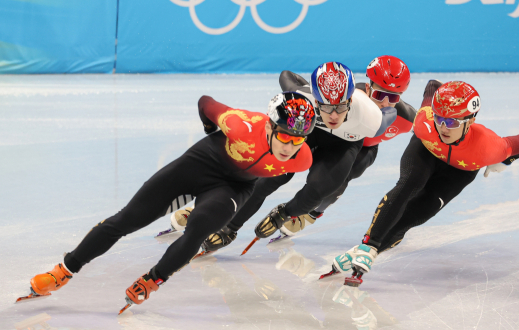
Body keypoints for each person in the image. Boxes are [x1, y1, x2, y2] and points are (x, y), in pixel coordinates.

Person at [19, 92, 317, 311]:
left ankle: (152, 280)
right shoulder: (240, 125)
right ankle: (64, 270)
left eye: (299, 139)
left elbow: (272, 179)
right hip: (199, 164)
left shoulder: (301, 159)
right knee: (127, 219)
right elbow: (205, 102)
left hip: (233, 187)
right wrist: (210, 131)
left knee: (200, 225)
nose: (291, 146)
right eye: (286, 137)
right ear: (269, 128)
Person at [330, 80, 519, 285]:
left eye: (452, 122)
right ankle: (369, 246)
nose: (443, 127)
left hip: (460, 169)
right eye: (440, 118)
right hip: (426, 148)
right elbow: (432, 85)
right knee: (409, 184)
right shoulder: (426, 122)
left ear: (470, 120)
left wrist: (507, 159)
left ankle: (363, 251)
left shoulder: (490, 147)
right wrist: (441, 97)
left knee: (421, 211)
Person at [186, 61, 397, 253]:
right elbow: (286, 75)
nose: (333, 115)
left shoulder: (371, 118)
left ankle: (284, 214)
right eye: (326, 106)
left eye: (341, 107)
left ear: (350, 99)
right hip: (310, 133)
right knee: (267, 179)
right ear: (315, 98)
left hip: (344, 146)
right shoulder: (301, 97)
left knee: (319, 190)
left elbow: (395, 114)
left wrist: (285, 214)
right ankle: (229, 227)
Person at [279, 55, 417, 236]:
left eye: (393, 98)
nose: (385, 103)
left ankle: (309, 214)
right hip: (329, 136)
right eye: (379, 95)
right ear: (368, 88)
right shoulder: (348, 95)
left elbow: (432, 125)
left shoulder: (406, 117)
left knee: (353, 167)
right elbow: (292, 79)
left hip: (362, 148)